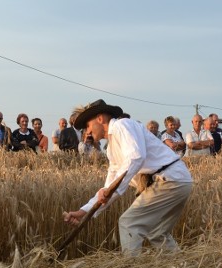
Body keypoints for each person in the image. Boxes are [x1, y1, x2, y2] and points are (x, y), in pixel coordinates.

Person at [63, 99, 193, 255]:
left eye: (88, 126)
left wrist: (111, 190)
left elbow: (136, 157)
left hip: (169, 179)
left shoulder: (121, 125)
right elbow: (109, 188)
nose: (87, 132)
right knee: (157, 233)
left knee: (128, 223)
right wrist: (82, 212)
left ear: (100, 119)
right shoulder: (112, 149)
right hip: (179, 180)